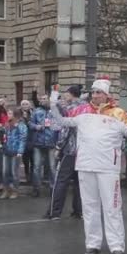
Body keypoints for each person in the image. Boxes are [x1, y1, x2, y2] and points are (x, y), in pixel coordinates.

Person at [50, 77, 127, 254]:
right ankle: (93, 243)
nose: (95, 95)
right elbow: (61, 121)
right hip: (85, 165)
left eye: (99, 92)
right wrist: (53, 101)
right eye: (94, 92)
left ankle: (116, 245)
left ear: (107, 95)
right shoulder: (81, 111)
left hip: (108, 167)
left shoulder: (118, 113)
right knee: (90, 207)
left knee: (112, 206)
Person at [45, 85, 84, 220]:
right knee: (79, 183)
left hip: (70, 150)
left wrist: (58, 147)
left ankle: (54, 212)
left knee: (61, 181)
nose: (65, 96)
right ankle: (78, 211)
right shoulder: (86, 107)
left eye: (66, 94)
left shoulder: (71, 108)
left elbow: (66, 130)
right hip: (83, 151)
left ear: (71, 94)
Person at [29, 94, 58, 198]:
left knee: (52, 167)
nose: (42, 100)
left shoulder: (54, 111)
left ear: (49, 100)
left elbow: (60, 125)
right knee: (37, 167)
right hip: (38, 142)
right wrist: (36, 126)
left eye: (44, 98)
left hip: (51, 142)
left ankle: (53, 188)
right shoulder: (36, 111)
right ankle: (36, 188)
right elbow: (30, 124)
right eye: (41, 99)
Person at [0, 111, 27, 199]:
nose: (8, 115)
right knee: (5, 172)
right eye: (8, 113)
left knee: (14, 172)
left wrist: (20, 151)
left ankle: (15, 190)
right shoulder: (6, 125)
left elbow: (23, 138)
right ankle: (6, 190)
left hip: (15, 151)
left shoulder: (21, 125)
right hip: (6, 151)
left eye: (10, 113)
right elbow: (4, 137)